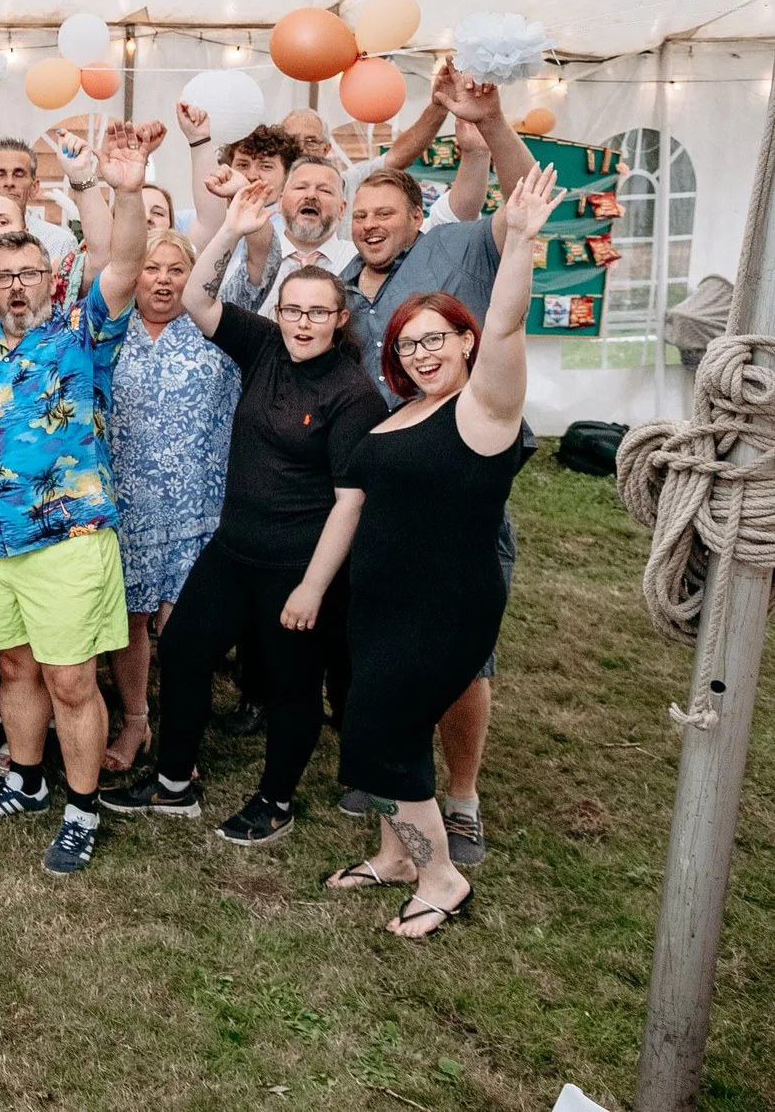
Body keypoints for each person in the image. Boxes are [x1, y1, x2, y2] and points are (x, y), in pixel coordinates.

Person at [106, 183, 386, 842]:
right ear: (280, 311)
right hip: (233, 549)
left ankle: (276, 800)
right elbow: (198, 297)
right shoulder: (263, 346)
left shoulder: (352, 394)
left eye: (318, 313)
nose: (303, 323)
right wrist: (229, 228)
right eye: (294, 310)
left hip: (297, 563)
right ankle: (175, 782)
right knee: (182, 645)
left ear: (339, 319)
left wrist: (314, 587)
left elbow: (351, 502)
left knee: (291, 686)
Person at [326, 167, 555, 938]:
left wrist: (518, 241)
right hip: (381, 602)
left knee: (386, 734)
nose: (422, 353)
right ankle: (394, 853)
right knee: (368, 725)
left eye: (437, 339)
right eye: (408, 342)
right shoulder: (403, 413)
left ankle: (440, 873)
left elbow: (511, 327)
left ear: (466, 338)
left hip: (445, 601)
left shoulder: (484, 408)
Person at [0, 124, 150, 877]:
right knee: (17, 672)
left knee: (71, 678)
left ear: (50, 274)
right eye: (5, 276)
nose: (17, 284)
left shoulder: (81, 332)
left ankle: (81, 806)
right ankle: (26, 783)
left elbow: (125, 260)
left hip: (71, 536)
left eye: (30, 272)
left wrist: (121, 188)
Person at [98, 227, 236, 774]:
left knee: (182, 631)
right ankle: (135, 721)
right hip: (126, 507)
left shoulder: (215, 331)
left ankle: (182, 736)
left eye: (175, 269)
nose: (162, 280)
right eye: (151, 268)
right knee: (130, 622)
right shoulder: (109, 335)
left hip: (196, 508)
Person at [224, 154, 355, 314]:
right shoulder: (245, 266)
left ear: (342, 209)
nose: (311, 195)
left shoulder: (357, 261)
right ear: (280, 202)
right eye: (300, 187)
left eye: (325, 190)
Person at [0, 138, 78, 262]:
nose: (9, 182)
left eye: (19, 175)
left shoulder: (60, 242)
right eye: (0, 174)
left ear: (34, 187)